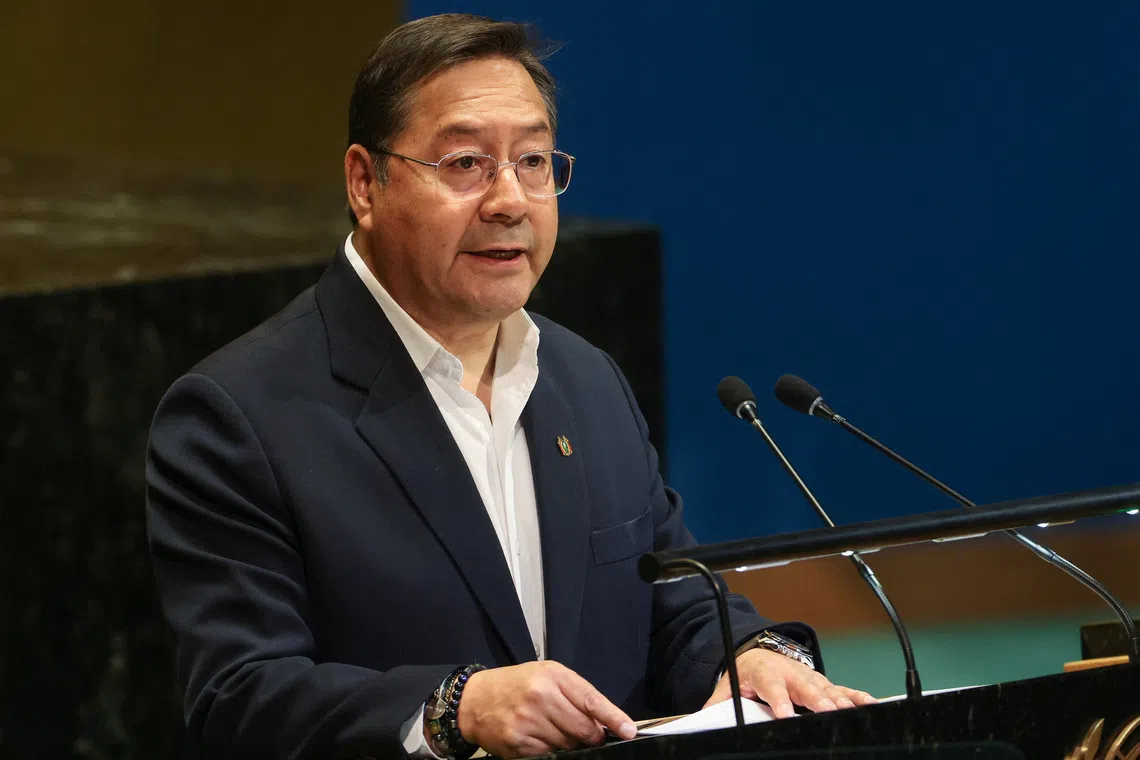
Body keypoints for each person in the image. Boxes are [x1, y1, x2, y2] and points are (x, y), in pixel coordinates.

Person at [145, 13, 874, 760]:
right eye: (465, 163)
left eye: (532, 162)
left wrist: (748, 656)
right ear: (365, 183)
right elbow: (240, 700)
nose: (509, 200)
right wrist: (452, 708)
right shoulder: (238, 415)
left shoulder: (584, 377)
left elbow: (672, 606)